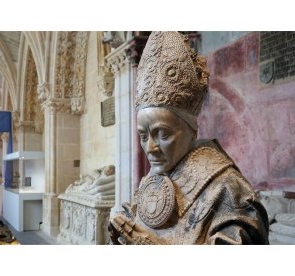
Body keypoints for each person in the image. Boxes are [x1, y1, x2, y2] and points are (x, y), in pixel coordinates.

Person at [108, 31, 269, 245]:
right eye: (143, 135)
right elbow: (136, 216)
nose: (151, 147)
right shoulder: (157, 176)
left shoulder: (227, 188)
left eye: (163, 134)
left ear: (191, 130)